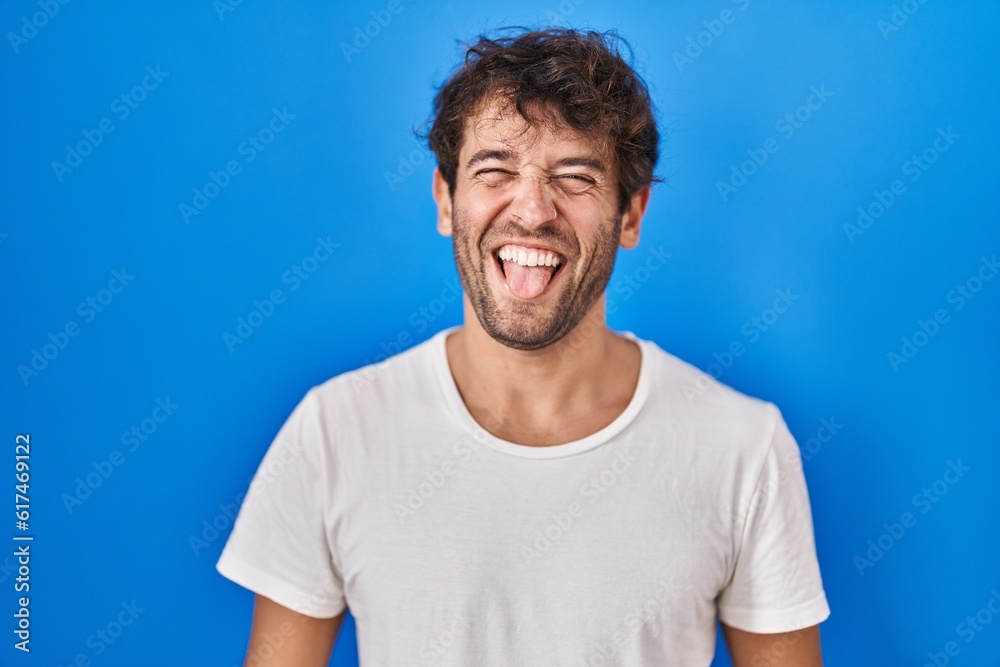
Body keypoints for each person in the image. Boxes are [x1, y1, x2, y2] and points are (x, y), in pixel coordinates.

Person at [216, 26, 830, 666]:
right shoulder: (335, 432)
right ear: (446, 200)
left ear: (631, 215)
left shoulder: (743, 446)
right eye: (494, 170)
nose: (533, 210)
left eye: (575, 176)